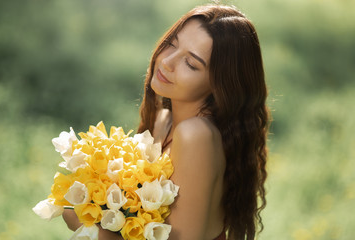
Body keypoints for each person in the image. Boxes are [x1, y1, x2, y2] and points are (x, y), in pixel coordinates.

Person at [63, 4, 269, 240]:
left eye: (191, 64)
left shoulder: (195, 135)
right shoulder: (164, 120)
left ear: (220, 84)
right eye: (172, 44)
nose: (167, 61)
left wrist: (86, 223)